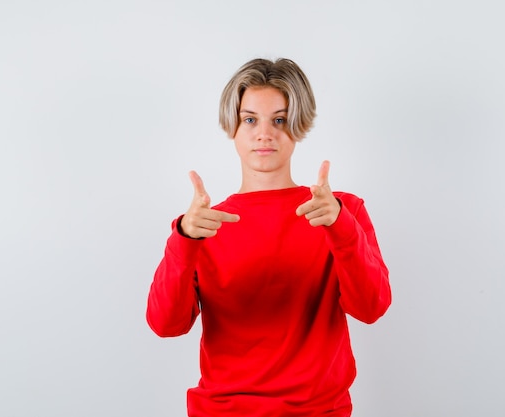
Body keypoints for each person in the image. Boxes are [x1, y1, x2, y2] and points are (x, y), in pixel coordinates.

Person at [146, 58, 392, 417]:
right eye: (250, 120)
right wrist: (183, 239)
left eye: (279, 120)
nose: (264, 133)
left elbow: (371, 308)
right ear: (233, 127)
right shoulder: (203, 225)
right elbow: (166, 324)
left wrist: (340, 226)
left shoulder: (342, 211)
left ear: (299, 125)